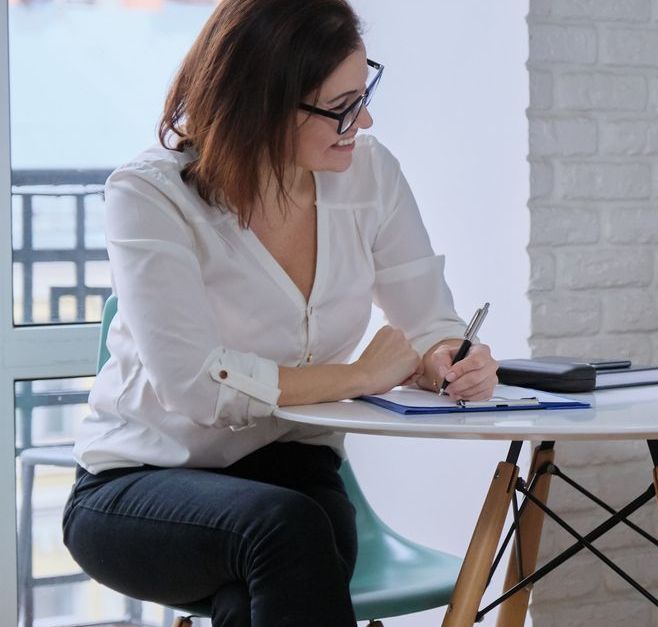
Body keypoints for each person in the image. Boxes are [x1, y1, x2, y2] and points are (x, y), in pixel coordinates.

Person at [60, 1, 498, 625]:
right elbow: (192, 384)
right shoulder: (150, 195)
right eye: (341, 106)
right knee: (283, 534)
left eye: (363, 91)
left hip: (297, 477)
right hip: (139, 482)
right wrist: (358, 377)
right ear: (259, 103)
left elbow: (429, 319)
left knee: (271, 570)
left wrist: (450, 358)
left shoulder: (371, 174)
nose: (364, 118)